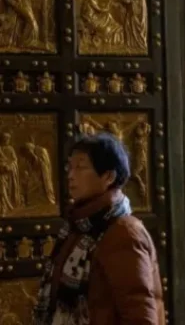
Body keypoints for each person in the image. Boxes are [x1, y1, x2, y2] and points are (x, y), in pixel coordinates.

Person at [33, 133, 164, 324]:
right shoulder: (79, 226)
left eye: (80, 167)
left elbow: (139, 314)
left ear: (108, 176)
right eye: (70, 166)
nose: (70, 175)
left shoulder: (123, 232)